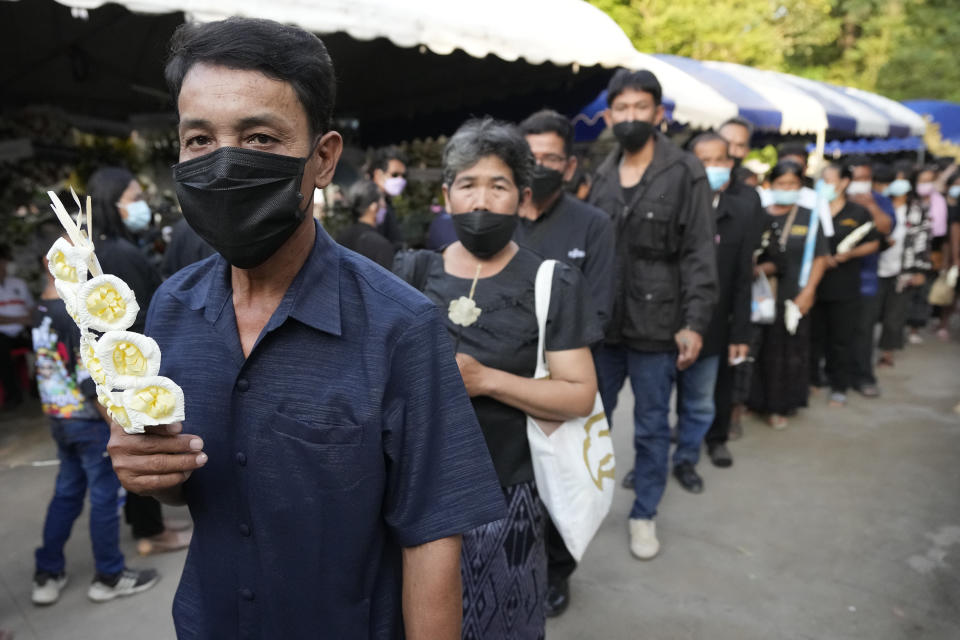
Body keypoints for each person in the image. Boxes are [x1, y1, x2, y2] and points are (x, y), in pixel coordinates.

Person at [106, 18, 506, 639]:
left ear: (322, 158)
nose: (225, 162)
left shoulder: (399, 326)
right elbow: (190, 490)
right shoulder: (170, 310)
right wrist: (151, 474)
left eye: (260, 138)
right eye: (199, 139)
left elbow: (432, 533)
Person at [394, 117, 601, 639]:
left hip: (505, 496)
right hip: (416, 488)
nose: (481, 201)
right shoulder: (413, 273)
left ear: (523, 197)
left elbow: (579, 395)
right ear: (446, 194)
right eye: (467, 184)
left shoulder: (550, 281)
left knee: (498, 625)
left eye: (498, 185)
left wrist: (487, 380)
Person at [587, 69, 717, 560]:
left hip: (659, 324)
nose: (630, 118)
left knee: (650, 425)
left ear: (659, 114)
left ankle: (644, 512)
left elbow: (699, 253)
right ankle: (587, 502)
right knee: (592, 420)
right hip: (604, 324)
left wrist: (693, 322)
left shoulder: (683, 171)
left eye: (641, 108)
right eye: (621, 109)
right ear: (608, 115)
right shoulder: (601, 173)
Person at [515, 108, 615, 617]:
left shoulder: (593, 225)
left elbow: (596, 310)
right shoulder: (498, 220)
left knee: (562, 482)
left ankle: (557, 572)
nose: (540, 166)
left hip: (562, 381)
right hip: (502, 382)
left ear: (571, 167)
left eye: (550, 157)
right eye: (530, 157)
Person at [31, 247, 158, 605]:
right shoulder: (72, 313)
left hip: (58, 417)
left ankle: (48, 570)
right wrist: (119, 425)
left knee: (67, 492)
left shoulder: (41, 308)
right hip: (87, 424)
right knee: (105, 497)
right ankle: (109, 575)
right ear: (55, 263)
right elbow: (89, 380)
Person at [86, 167, 192, 557]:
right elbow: (130, 321)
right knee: (143, 444)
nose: (143, 206)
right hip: (132, 371)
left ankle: (146, 523)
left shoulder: (103, 250)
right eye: (134, 198)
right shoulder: (120, 254)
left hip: (117, 370)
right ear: (113, 204)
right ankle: (153, 530)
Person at [678, 132, 758, 473]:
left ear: (730, 164)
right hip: (665, 321)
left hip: (713, 323)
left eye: (718, 160)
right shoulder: (671, 203)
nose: (712, 168)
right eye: (703, 161)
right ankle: (650, 462)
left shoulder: (739, 211)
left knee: (702, 399)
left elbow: (744, 278)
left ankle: (690, 457)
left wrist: (741, 333)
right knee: (653, 405)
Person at [748, 161, 829, 430]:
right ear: (770, 185)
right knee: (759, 348)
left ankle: (781, 406)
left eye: (793, 184)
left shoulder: (810, 216)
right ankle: (754, 401)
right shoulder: (757, 215)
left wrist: (808, 292)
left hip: (794, 296)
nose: (787, 189)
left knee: (788, 351)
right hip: (759, 295)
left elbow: (820, 257)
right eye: (781, 184)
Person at [808, 163, 881, 407]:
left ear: (843, 183)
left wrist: (847, 255)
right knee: (814, 336)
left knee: (841, 339)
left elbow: (874, 242)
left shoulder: (857, 212)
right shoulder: (812, 208)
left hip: (844, 285)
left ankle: (839, 385)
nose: (823, 185)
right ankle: (813, 380)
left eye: (828, 180)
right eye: (821, 181)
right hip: (812, 286)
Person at [846, 160, 896, 397]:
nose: (860, 183)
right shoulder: (836, 198)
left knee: (864, 330)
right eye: (856, 178)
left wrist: (871, 206)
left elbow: (886, 228)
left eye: (865, 178)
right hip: (835, 274)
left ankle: (863, 376)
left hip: (866, 277)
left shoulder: (880, 200)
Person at [876, 165, 931, 366]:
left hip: (903, 269)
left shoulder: (917, 209)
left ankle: (887, 352)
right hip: (877, 267)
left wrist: (919, 269)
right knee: (872, 313)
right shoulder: (880, 204)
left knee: (895, 315)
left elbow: (924, 238)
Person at [335, 179, 396, 269]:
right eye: (382, 200)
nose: (385, 206)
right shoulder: (381, 245)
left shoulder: (341, 238)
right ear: (373, 207)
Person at [0, 244, 33, 410]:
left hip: (23, 330)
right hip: (3, 335)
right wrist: (21, 319)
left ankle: (37, 388)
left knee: (42, 343)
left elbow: (31, 309)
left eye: (3, 262)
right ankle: (14, 395)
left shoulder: (18, 283)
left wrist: (28, 320)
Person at [368, 146, 408, 248]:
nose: (400, 179)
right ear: (378, 175)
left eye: (403, 175)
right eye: (395, 175)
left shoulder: (386, 203)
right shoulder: (370, 206)